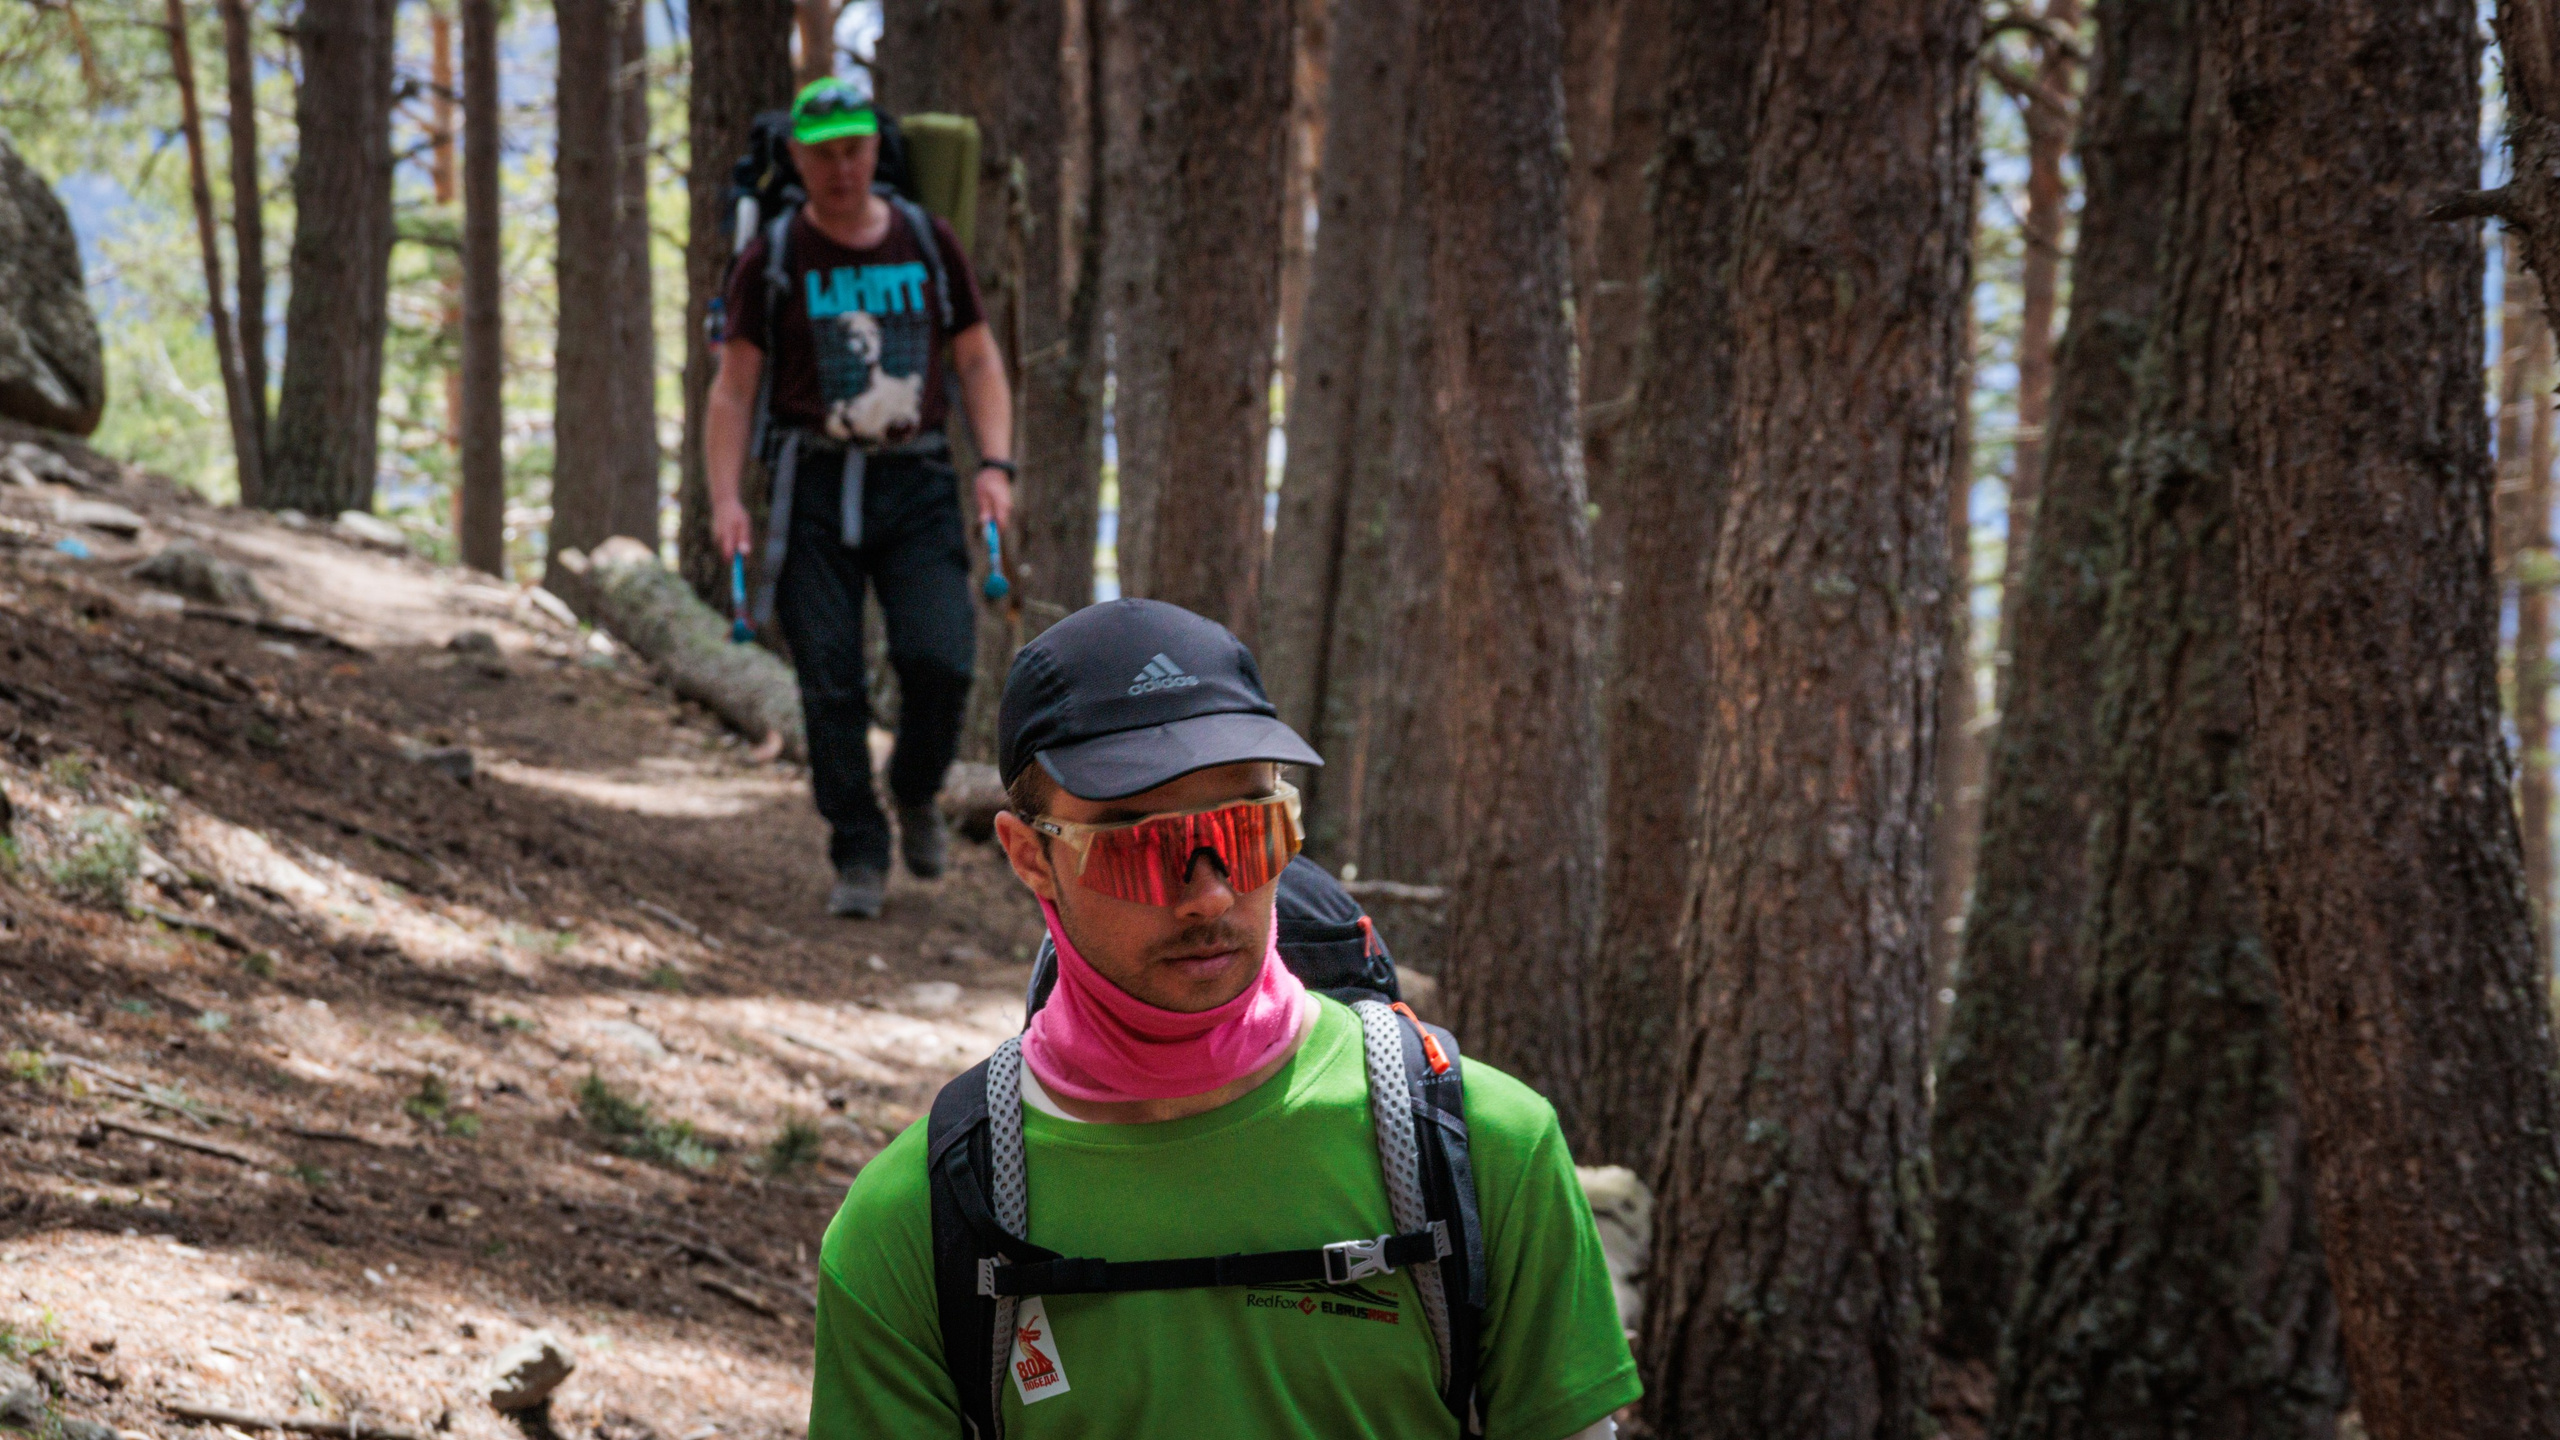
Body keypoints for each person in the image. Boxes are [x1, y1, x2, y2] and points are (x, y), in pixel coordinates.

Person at [808, 599, 1640, 1437]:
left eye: (1248, 831)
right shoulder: (916, 1221)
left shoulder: (1487, 1147)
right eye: (1139, 846)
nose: (1209, 893)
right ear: (1033, 858)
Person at [703, 76, 1015, 919]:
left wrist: (996, 464)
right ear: (797, 158)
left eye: (855, 148)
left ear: (878, 149)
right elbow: (734, 390)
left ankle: (914, 789)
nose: (841, 167)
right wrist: (726, 498)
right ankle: (859, 851)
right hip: (812, 484)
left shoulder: (925, 239)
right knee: (828, 681)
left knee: (941, 660)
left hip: (915, 478)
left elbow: (978, 360)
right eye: (823, 152)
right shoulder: (771, 258)